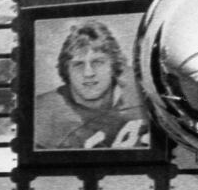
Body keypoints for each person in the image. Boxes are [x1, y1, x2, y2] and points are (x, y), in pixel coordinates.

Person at [31, 20, 151, 151]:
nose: (88, 73)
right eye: (78, 64)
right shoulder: (43, 114)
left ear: (113, 66)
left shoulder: (143, 91)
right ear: (67, 70)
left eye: (98, 62)